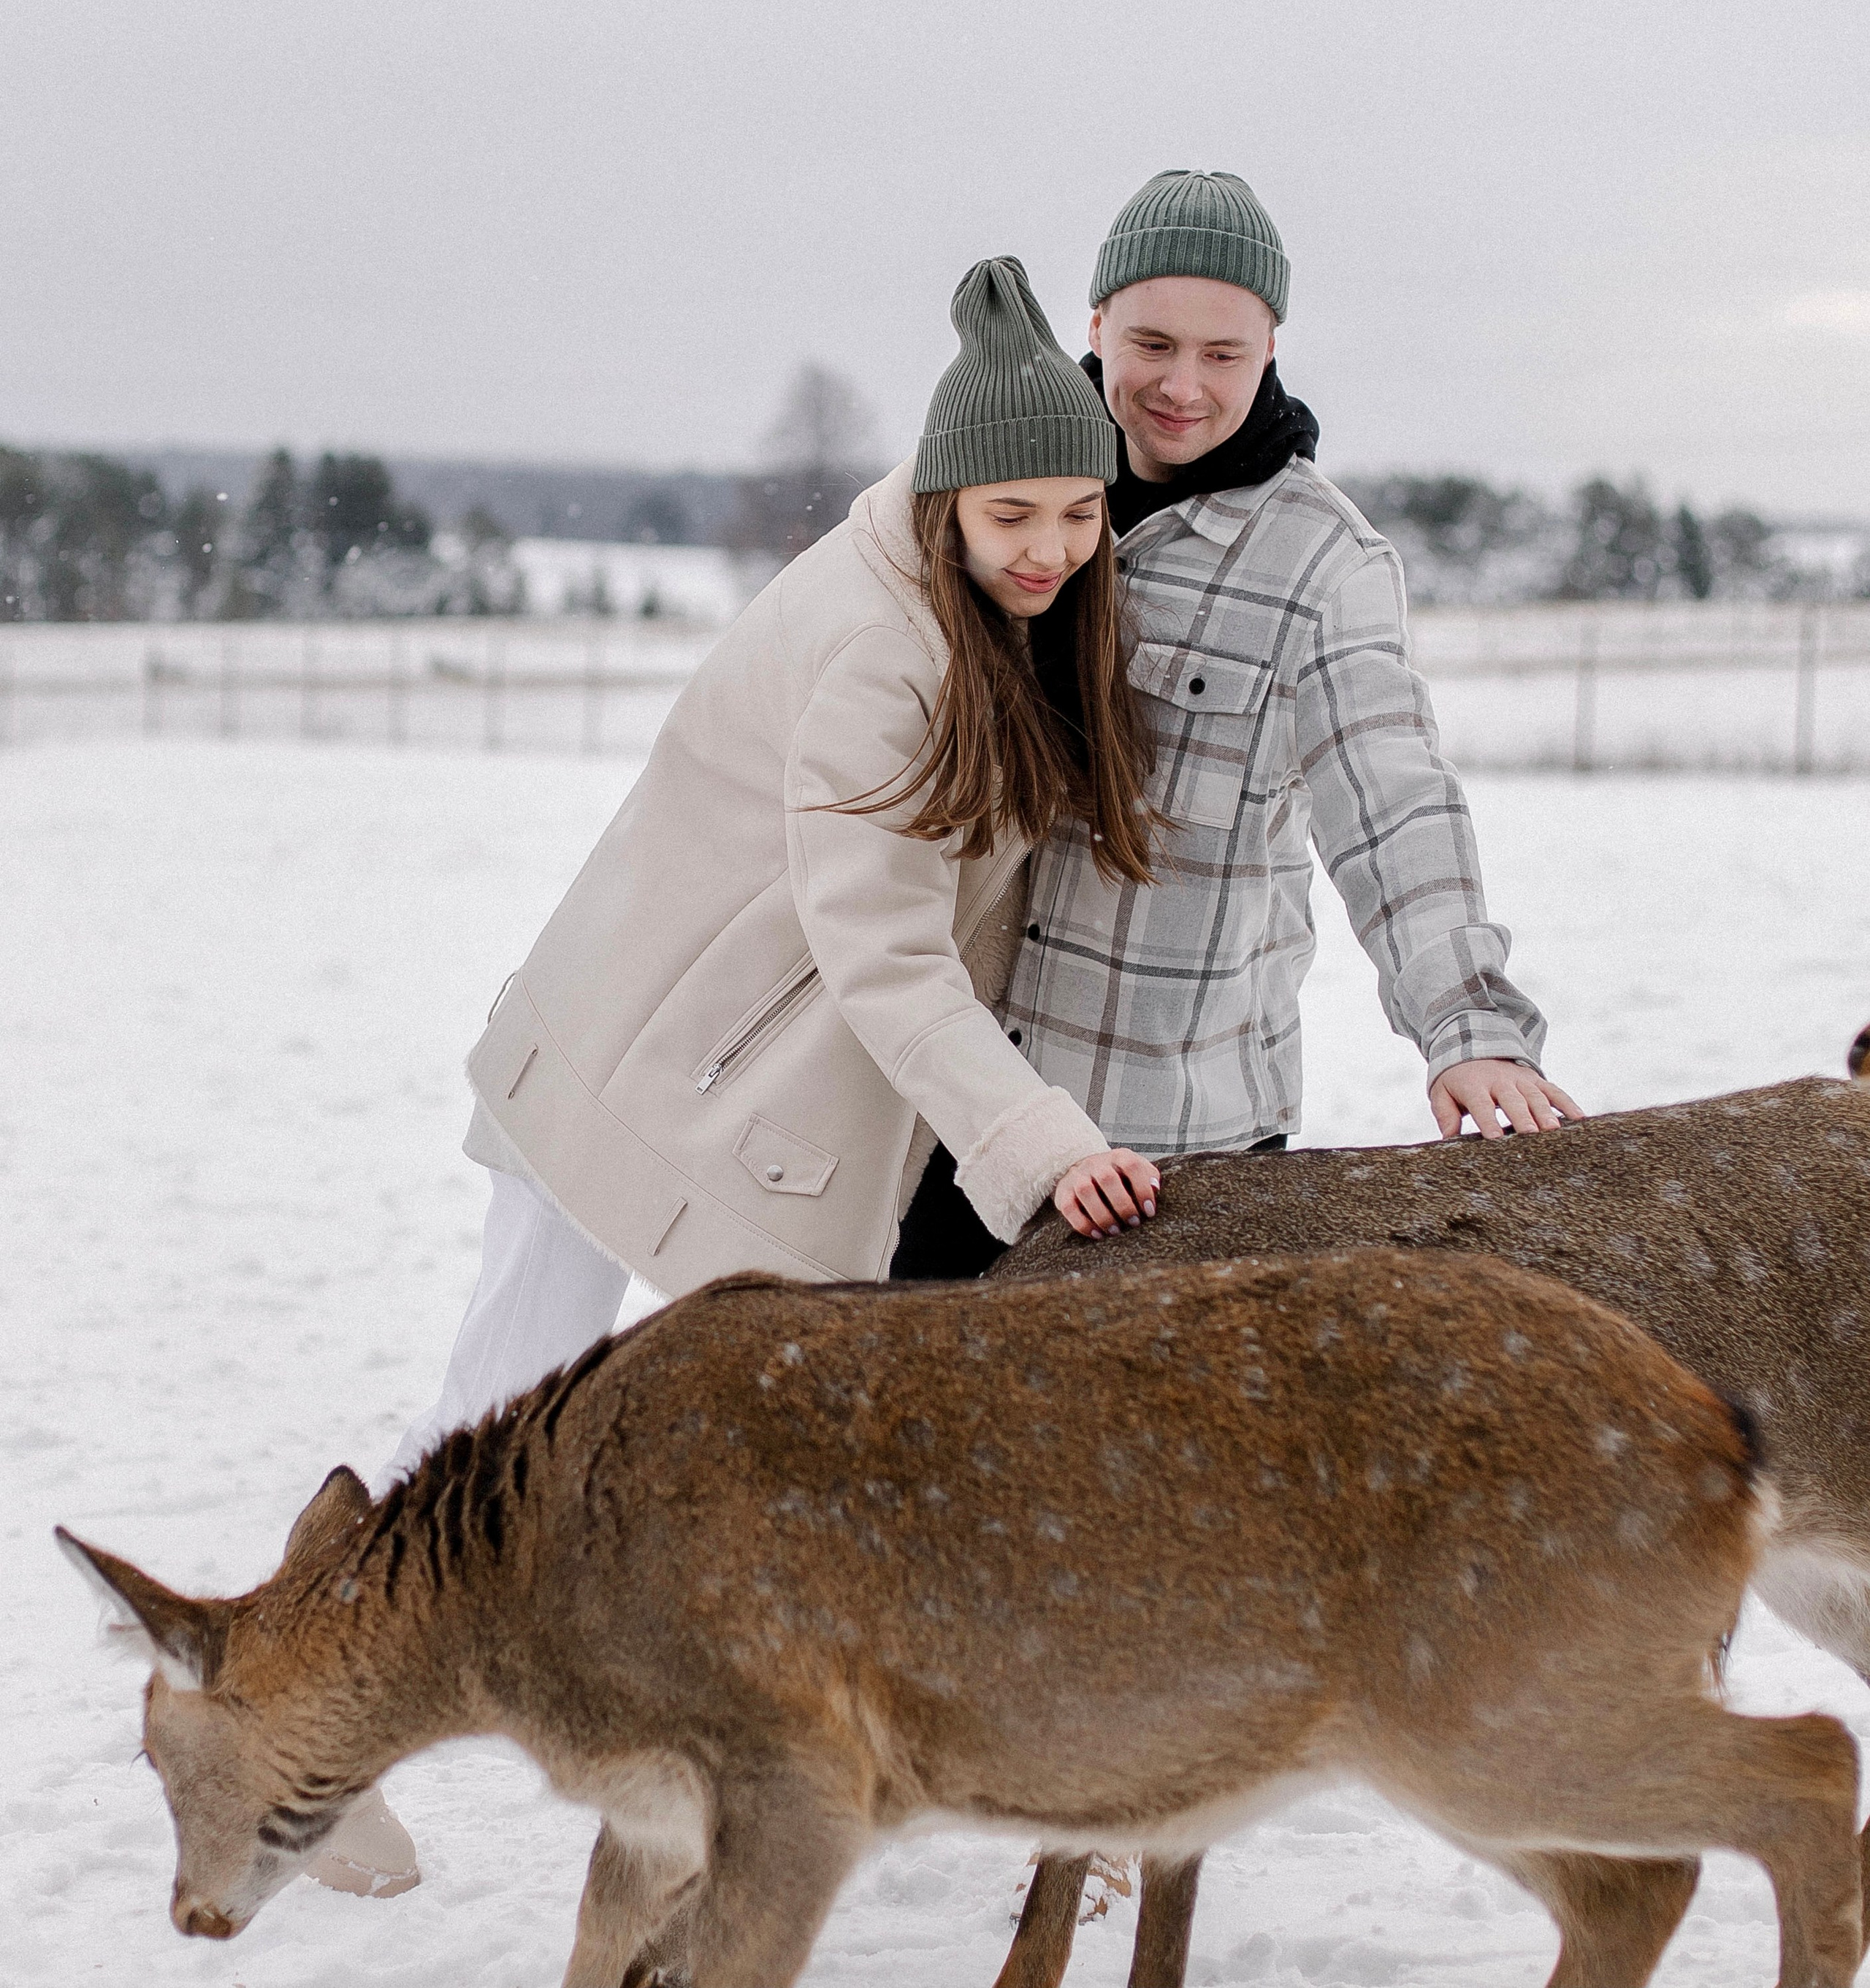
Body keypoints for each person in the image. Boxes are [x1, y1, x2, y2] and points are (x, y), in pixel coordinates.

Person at [308, 254, 1163, 1897]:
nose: (1051, 547)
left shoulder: (962, 598)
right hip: (651, 1071)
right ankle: (308, 1728)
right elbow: (885, 953)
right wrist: (1034, 1138)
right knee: (487, 1437)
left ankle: (1037, 1788)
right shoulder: (891, 654)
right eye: (1014, 517)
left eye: (1078, 511)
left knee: (696, 1440)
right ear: (945, 503)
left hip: (713, 1067)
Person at [1004, 165, 1576, 1158]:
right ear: (1095, 328)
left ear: (1271, 348)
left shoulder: (1322, 563)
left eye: (1223, 353)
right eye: (1153, 344)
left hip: (1166, 1143)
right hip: (970, 1116)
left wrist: (1469, 1027)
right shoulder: (1011, 496)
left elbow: (1394, 802)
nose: (1185, 386)